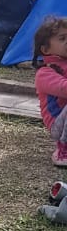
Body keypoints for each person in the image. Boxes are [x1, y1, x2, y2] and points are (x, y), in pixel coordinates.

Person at [33, 16, 67, 168]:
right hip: (58, 124)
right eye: (62, 38)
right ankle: (63, 149)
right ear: (45, 49)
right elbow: (64, 88)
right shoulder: (45, 73)